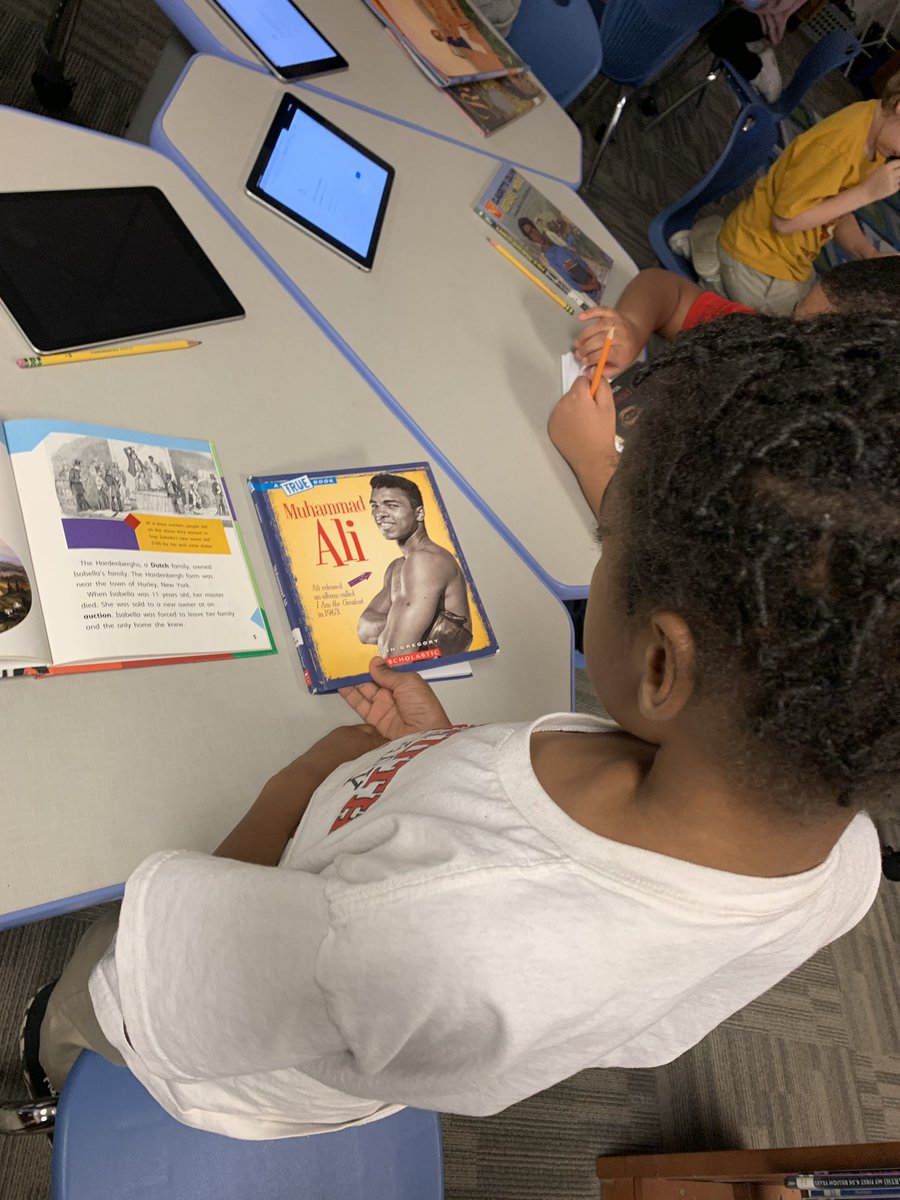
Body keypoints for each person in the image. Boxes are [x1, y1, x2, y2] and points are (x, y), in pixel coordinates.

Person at [29, 317, 895, 1143]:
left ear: (662, 669)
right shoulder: (839, 863)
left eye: (606, 544)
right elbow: (638, 1020)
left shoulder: (429, 931)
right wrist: (433, 749)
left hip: (217, 1053)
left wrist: (295, 786)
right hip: (369, 996)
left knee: (91, 1000)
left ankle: (39, 1068)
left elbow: (194, 947)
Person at [715, 75, 900, 314]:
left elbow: (837, 209)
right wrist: (865, 194)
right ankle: (715, 279)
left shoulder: (876, 139)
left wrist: (869, 253)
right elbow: (784, 223)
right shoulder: (838, 146)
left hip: (789, 260)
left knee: (823, 307)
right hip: (757, 260)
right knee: (798, 336)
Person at [571, 255, 900, 371]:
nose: (787, 341)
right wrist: (632, 326)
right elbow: (663, 289)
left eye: (806, 349)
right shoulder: (765, 340)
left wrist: (591, 460)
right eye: (794, 319)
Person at [357, 473, 473, 659]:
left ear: (419, 513)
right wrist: (422, 624)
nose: (380, 514)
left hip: (435, 677)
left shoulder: (426, 561)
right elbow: (364, 630)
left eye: (392, 505)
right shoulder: (397, 567)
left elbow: (396, 652)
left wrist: (399, 627)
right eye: (375, 506)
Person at [517, 218, 605, 299]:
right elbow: (567, 279)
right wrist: (591, 287)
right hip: (588, 290)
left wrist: (594, 277)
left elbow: (578, 258)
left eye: (533, 229)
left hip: (595, 273)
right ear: (529, 237)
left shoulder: (551, 236)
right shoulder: (544, 256)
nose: (534, 234)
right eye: (530, 233)